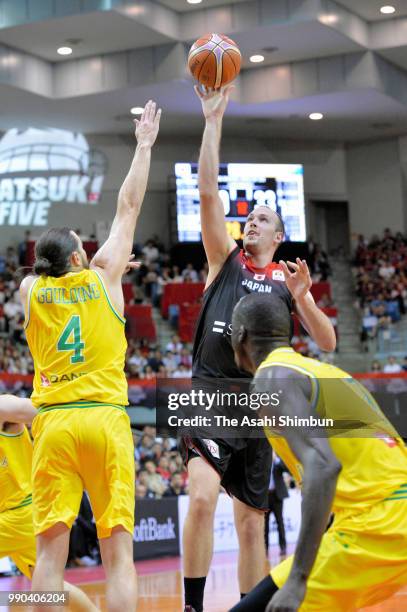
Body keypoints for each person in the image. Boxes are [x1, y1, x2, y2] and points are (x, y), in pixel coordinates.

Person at [181, 86, 336, 612]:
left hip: (260, 401)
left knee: (251, 523)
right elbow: (206, 195)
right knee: (200, 498)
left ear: (280, 234)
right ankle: (192, 606)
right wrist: (212, 120)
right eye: (249, 216)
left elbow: (328, 342)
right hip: (209, 392)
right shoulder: (224, 259)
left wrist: (304, 300)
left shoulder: (287, 283)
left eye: (263, 218)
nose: (252, 219)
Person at [19, 100, 161, 612]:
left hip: (53, 424)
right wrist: (143, 145)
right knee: (118, 554)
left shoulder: (30, 292)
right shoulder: (104, 276)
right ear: (81, 258)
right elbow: (128, 207)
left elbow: (41, 269)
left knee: (47, 561)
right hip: (103, 419)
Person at [230, 292, 407, 611]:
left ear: (240, 335)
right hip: (383, 516)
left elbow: (323, 466)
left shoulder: (272, 377)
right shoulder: (324, 372)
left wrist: (298, 579)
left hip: (380, 524)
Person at [0, 394, 97, 611]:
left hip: (20, 512)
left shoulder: (3, 407)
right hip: (16, 516)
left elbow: (43, 412)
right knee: (52, 587)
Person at [264, 456, 288, 558]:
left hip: (277, 495)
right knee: (265, 525)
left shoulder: (278, 459)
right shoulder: (262, 458)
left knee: (280, 522)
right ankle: (265, 549)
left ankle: (283, 547)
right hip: (265, 497)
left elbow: (286, 468)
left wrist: (276, 459)